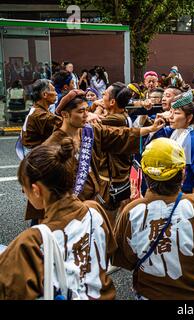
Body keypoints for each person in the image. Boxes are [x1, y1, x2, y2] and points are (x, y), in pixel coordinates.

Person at [112, 137, 194, 300]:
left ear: (144, 174)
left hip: (151, 294)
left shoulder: (130, 212)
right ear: (183, 173)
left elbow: (123, 258)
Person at [0, 139, 117, 299]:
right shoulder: (94, 210)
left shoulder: (31, 242)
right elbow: (108, 253)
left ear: (36, 190)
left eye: (24, 187)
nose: (23, 191)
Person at [36, 90, 165, 223]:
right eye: (81, 112)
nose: (86, 115)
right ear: (65, 114)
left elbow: (119, 134)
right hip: (67, 207)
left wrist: (150, 129)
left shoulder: (89, 131)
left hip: (92, 200)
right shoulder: (51, 145)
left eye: (87, 110)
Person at [147, 91, 194, 197]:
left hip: (183, 191)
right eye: (170, 112)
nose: (170, 117)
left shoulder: (192, 141)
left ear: (189, 118)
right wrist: (155, 127)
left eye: (176, 113)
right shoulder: (175, 130)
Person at [98, 82, 134, 216]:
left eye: (105, 94)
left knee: (109, 215)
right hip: (121, 174)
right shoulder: (124, 115)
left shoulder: (113, 119)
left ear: (112, 101)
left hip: (111, 179)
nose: (102, 95)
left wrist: (96, 109)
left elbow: (93, 121)